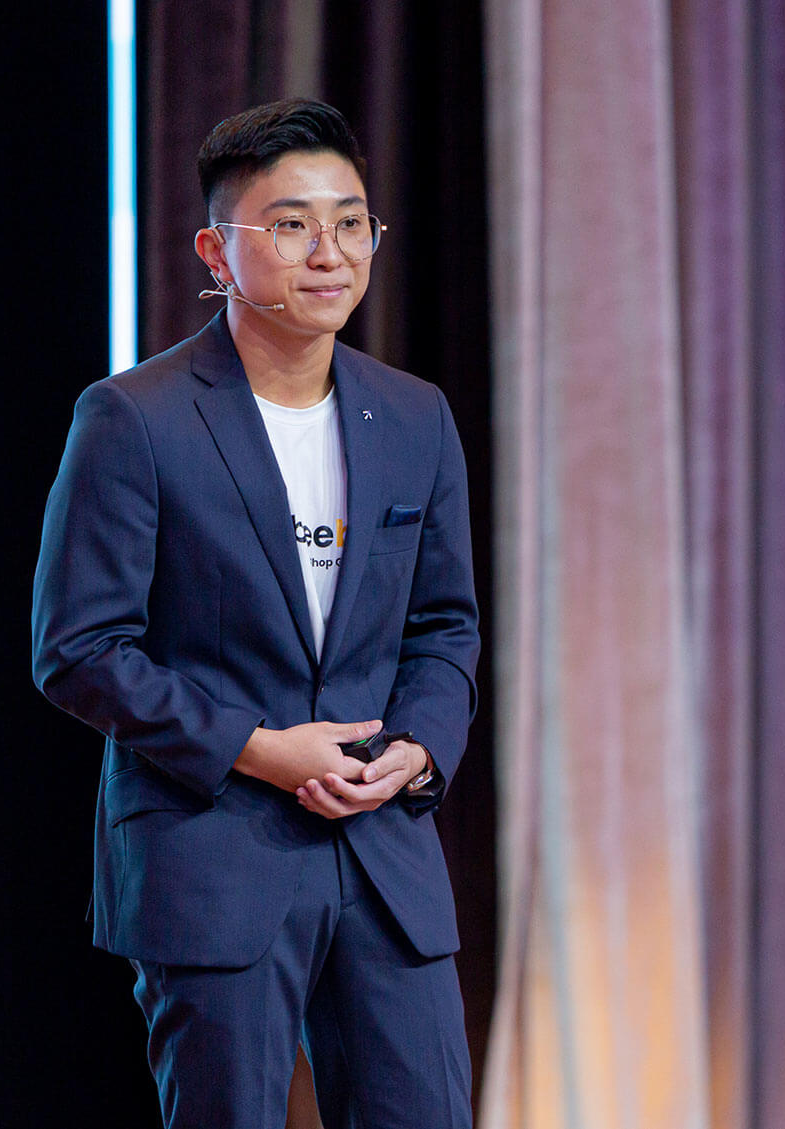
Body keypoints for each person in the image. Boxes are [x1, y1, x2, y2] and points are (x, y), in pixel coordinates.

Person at [32, 98, 480, 1129]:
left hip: (384, 854)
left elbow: (445, 626)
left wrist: (418, 746)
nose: (329, 252)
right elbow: (79, 648)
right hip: (213, 850)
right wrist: (258, 748)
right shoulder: (134, 417)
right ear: (216, 248)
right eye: (289, 224)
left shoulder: (415, 413)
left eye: (351, 222)